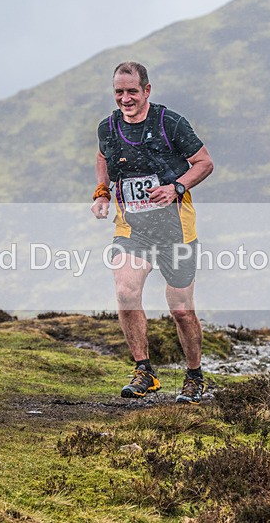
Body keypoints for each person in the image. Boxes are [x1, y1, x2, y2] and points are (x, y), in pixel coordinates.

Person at [91, 61, 214, 404]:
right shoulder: (109, 127)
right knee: (126, 292)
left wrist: (176, 186)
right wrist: (102, 192)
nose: (125, 99)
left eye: (132, 91)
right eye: (119, 92)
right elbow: (102, 156)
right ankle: (144, 371)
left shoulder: (169, 123)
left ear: (147, 90)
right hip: (133, 227)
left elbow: (204, 162)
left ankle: (193, 375)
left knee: (180, 309)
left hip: (176, 227)